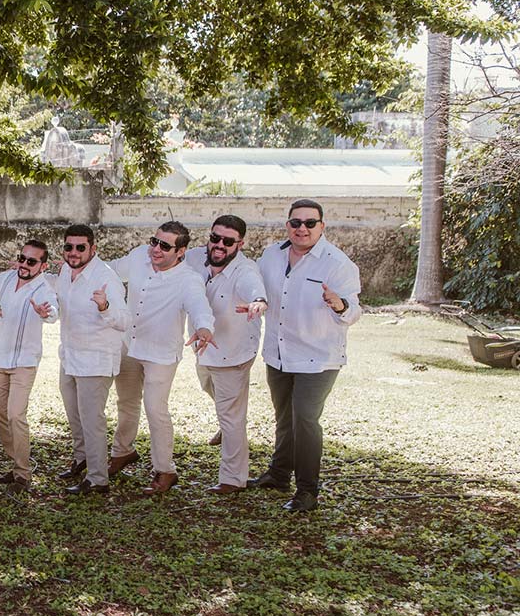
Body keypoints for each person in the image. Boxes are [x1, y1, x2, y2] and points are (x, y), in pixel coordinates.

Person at [251, 199, 362, 512]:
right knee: (284, 416)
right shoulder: (271, 255)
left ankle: (307, 491)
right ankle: (278, 474)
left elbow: (353, 312)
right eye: (296, 222)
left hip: (318, 357)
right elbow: (258, 288)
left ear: (322, 226)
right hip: (279, 351)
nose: (302, 228)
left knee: (305, 419)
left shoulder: (337, 263)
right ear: (287, 225)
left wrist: (339, 304)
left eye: (310, 223)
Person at [107, 222, 216, 496]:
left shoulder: (188, 279)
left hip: (161, 353)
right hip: (130, 344)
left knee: (155, 409)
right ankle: (122, 452)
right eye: (154, 241)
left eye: (164, 246)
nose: (155, 249)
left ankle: (166, 469)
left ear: (181, 252)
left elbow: (199, 306)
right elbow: (107, 270)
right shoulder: (138, 257)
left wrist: (204, 327)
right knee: (126, 403)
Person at [184, 215, 267, 494]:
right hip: (203, 347)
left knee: (232, 416)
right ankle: (225, 421)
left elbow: (255, 289)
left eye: (228, 241)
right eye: (215, 238)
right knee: (209, 388)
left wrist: (257, 302)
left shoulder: (246, 270)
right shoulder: (195, 258)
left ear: (239, 244)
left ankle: (233, 479)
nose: (219, 245)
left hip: (234, 351)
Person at [0, 239, 60, 492]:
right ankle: (15, 461)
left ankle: (23, 473)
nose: (24, 264)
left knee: (15, 415)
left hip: (23, 363)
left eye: (32, 261)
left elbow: (53, 310)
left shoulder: (43, 288)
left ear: (43, 266)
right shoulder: (7, 278)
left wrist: (47, 313)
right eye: (22, 258)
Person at [53, 224, 131, 495]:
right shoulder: (65, 271)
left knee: (91, 420)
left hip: (96, 361)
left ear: (93, 249)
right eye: (68, 247)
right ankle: (82, 458)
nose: (73, 252)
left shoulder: (106, 277)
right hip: (70, 355)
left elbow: (124, 321)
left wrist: (104, 306)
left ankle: (98, 479)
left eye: (80, 247)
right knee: (74, 415)